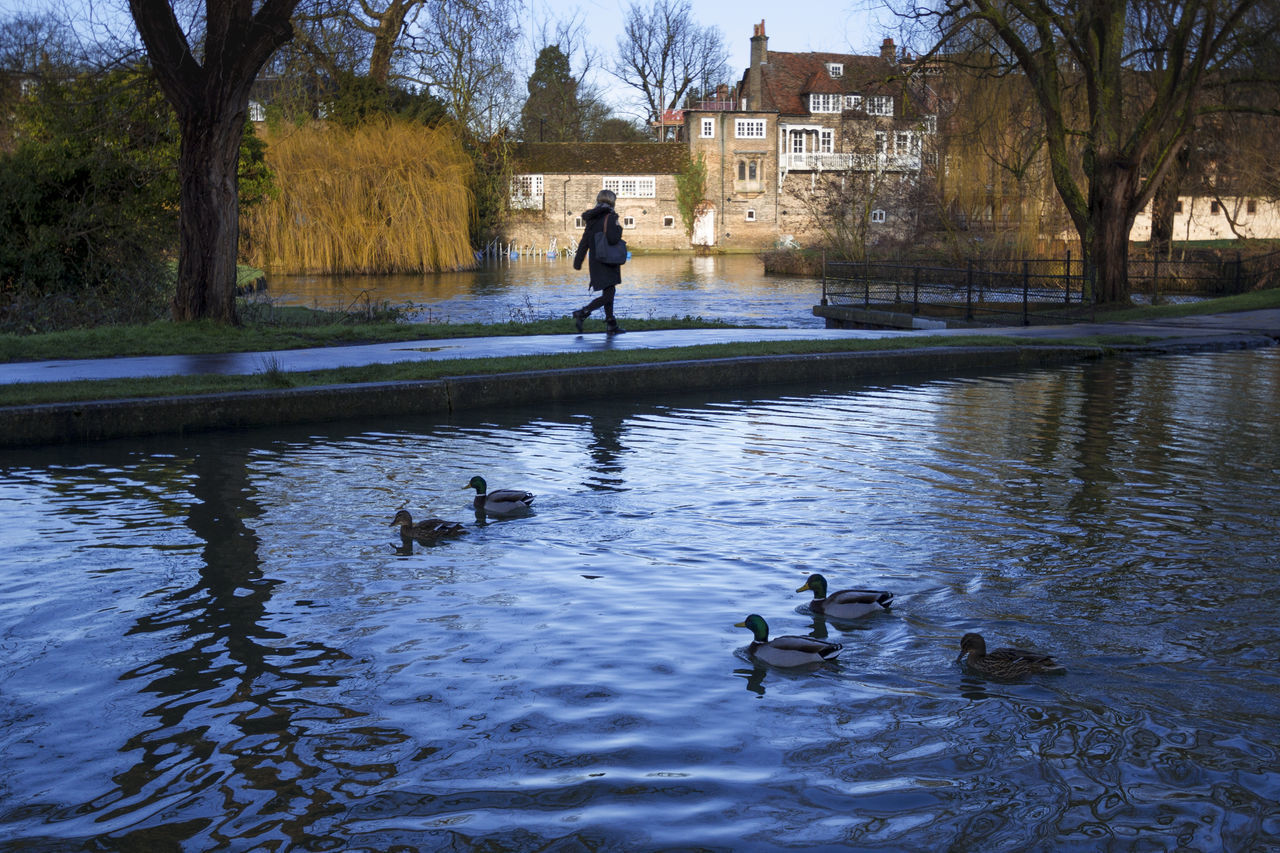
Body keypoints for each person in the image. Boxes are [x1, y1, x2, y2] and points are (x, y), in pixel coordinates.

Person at [571, 189, 625, 334]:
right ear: (612, 201)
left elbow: (584, 242)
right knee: (609, 294)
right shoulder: (611, 217)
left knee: (609, 291)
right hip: (608, 260)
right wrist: (619, 228)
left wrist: (578, 261)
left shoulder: (592, 219)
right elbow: (614, 238)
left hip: (596, 262)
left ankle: (611, 324)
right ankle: (583, 313)